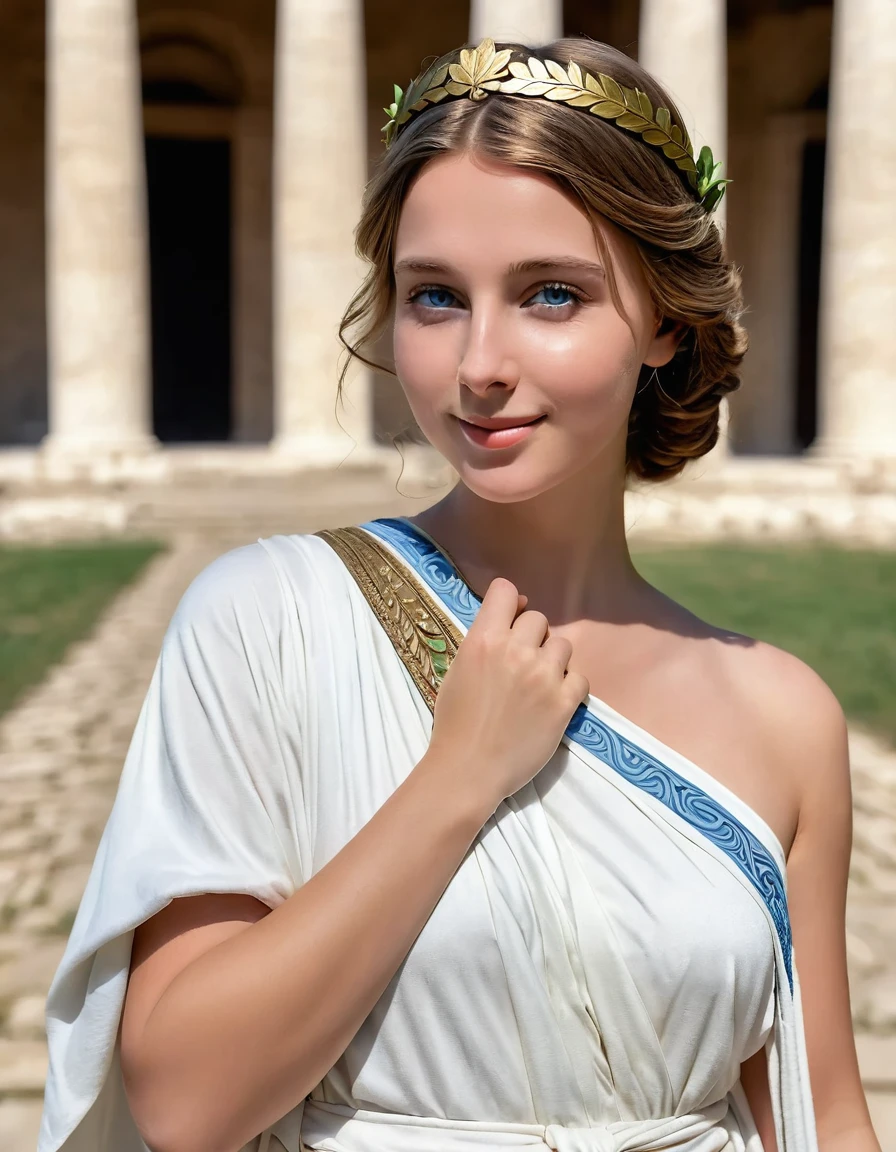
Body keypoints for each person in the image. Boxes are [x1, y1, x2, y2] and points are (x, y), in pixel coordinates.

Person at [37, 36, 879, 1152]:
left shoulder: (782, 717)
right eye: (434, 297)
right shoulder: (267, 620)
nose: (480, 361)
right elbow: (187, 1101)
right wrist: (459, 777)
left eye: (549, 295)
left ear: (665, 322)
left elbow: (819, 1118)